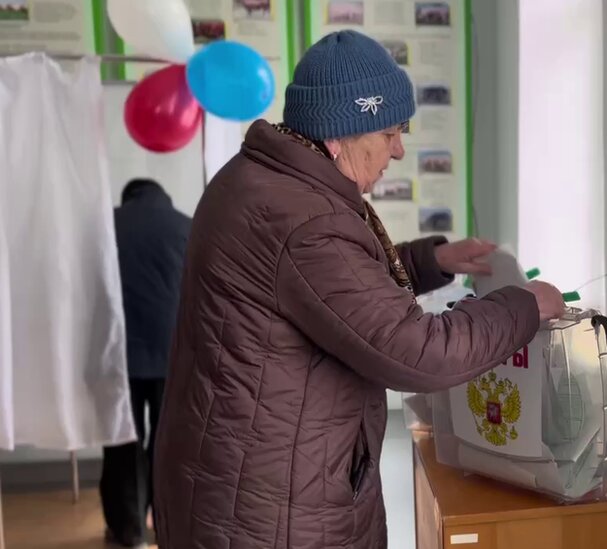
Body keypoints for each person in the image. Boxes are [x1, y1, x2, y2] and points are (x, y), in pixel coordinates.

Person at [152, 30, 565, 549]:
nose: (398, 149)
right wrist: (526, 304)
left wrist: (429, 260)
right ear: (339, 134)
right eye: (390, 131)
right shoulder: (304, 219)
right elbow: (420, 354)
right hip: (273, 512)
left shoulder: (260, 179)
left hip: (239, 483)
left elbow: (326, 296)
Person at [103, 179, 190, 548]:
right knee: (169, 443)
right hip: (172, 353)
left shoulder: (107, 225)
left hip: (118, 353)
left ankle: (130, 529)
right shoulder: (186, 225)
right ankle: (166, 524)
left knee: (124, 440)